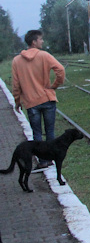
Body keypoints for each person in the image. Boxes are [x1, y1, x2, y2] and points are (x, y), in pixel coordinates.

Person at [11, 30, 65, 169]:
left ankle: (42, 160)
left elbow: (16, 85)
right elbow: (60, 70)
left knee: (37, 133)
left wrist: (17, 101)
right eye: (41, 39)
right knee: (50, 131)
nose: (42, 41)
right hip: (47, 99)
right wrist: (55, 85)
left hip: (31, 102)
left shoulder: (17, 61)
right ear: (34, 42)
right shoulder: (44, 56)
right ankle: (50, 159)